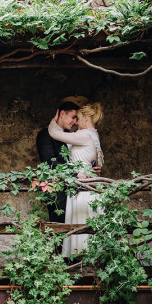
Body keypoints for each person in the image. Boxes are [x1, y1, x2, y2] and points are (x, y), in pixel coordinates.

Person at [47, 102, 104, 256]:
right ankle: (85, 258)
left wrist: (54, 120)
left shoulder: (85, 135)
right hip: (84, 184)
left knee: (82, 222)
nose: (76, 123)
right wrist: (90, 168)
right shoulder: (93, 136)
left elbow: (54, 133)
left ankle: (81, 256)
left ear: (86, 118)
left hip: (82, 187)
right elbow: (95, 163)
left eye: (77, 118)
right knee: (85, 222)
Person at [35, 101, 80, 222]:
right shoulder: (45, 135)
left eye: (76, 118)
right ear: (62, 114)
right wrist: (75, 174)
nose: (75, 121)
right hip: (57, 191)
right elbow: (49, 163)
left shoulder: (69, 136)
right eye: (73, 117)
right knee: (60, 225)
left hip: (73, 189)